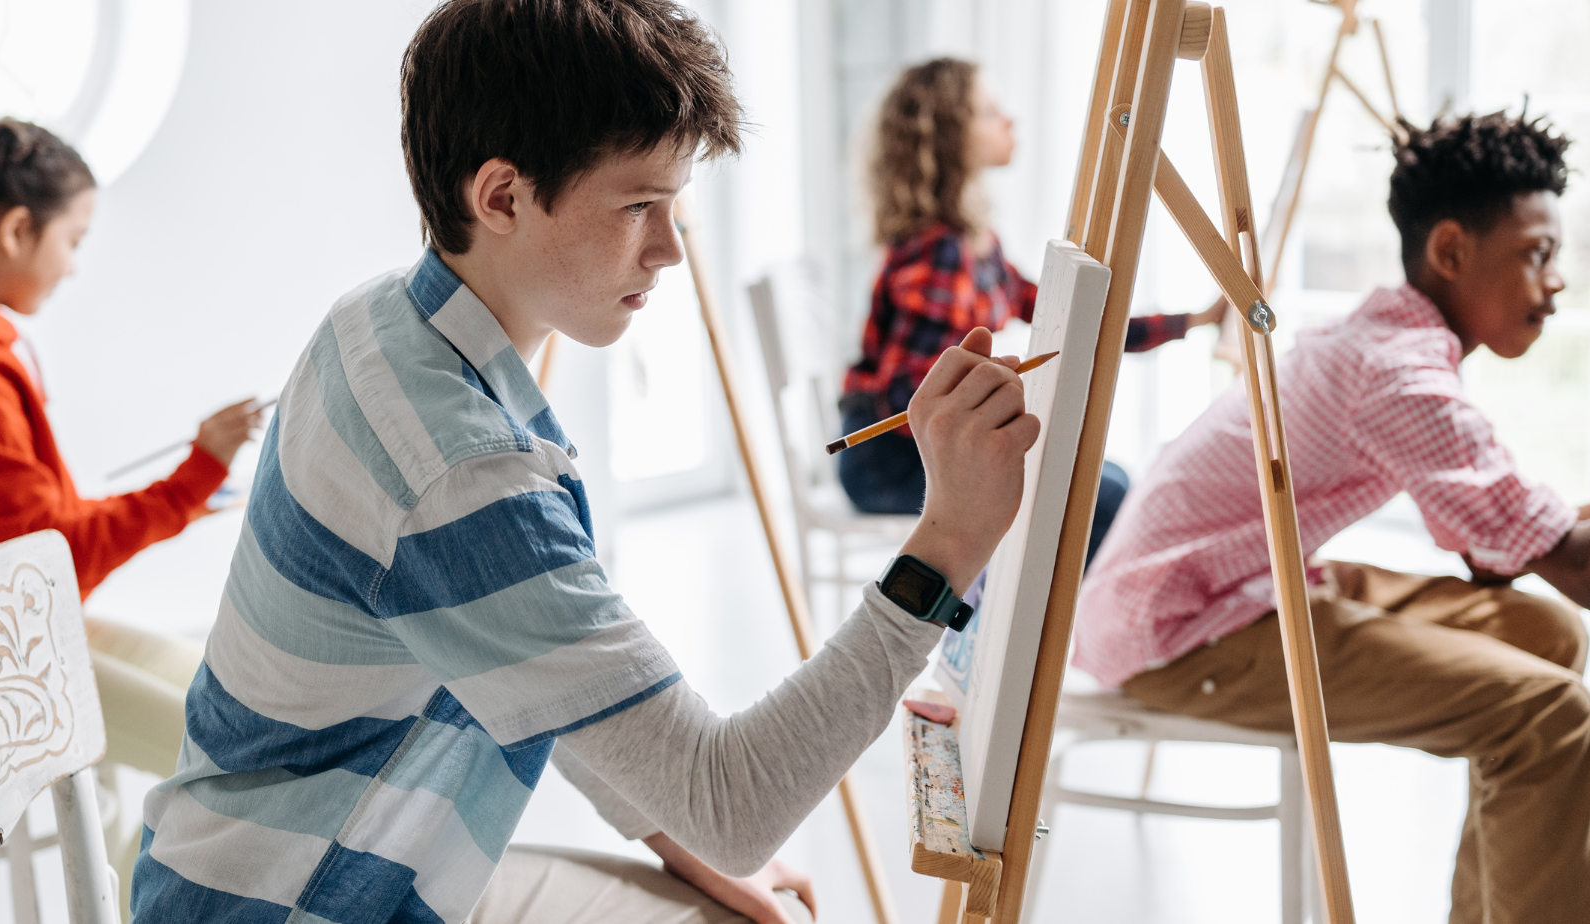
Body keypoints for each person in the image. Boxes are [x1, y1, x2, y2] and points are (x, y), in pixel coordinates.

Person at [130, 4, 1040, 924]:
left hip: (273, 865)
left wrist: (683, 845)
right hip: (299, 901)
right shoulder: (459, 468)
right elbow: (737, 806)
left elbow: (523, 662)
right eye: (640, 205)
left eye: (676, 205)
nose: (671, 249)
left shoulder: (378, 322)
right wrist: (952, 538)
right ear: (502, 196)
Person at [1077, 110, 1590, 921]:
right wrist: (1543, 532)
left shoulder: (1382, 340)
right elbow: (1569, 562)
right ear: (1450, 250)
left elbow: (1504, 546)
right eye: (1538, 254)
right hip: (1185, 627)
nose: (1555, 279)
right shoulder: (1397, 375)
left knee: (1548, 637)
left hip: (1244, 585)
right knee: (1553, 716)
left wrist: (1537, 530)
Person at [0, 118, 263, 914]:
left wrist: (191, 487)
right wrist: (197, 475)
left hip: (18, 635)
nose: (75, 266)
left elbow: (36, 530)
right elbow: (51, 555)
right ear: (17, 229)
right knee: (228, 756)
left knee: (213, 696)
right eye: (74, 238)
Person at [838, 57, 1224, 564]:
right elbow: (909, 405)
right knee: (1102, 499)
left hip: (919, 448)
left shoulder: (977, 245)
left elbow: (1067, 314)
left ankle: (1081, 633)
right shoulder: (939, 255)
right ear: (951, 138)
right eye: (989, 111)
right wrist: (1006, 419)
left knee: (1109, 485)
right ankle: (1076, 638)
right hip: (891, 463)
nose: (1010, 121)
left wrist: (1190, 322)